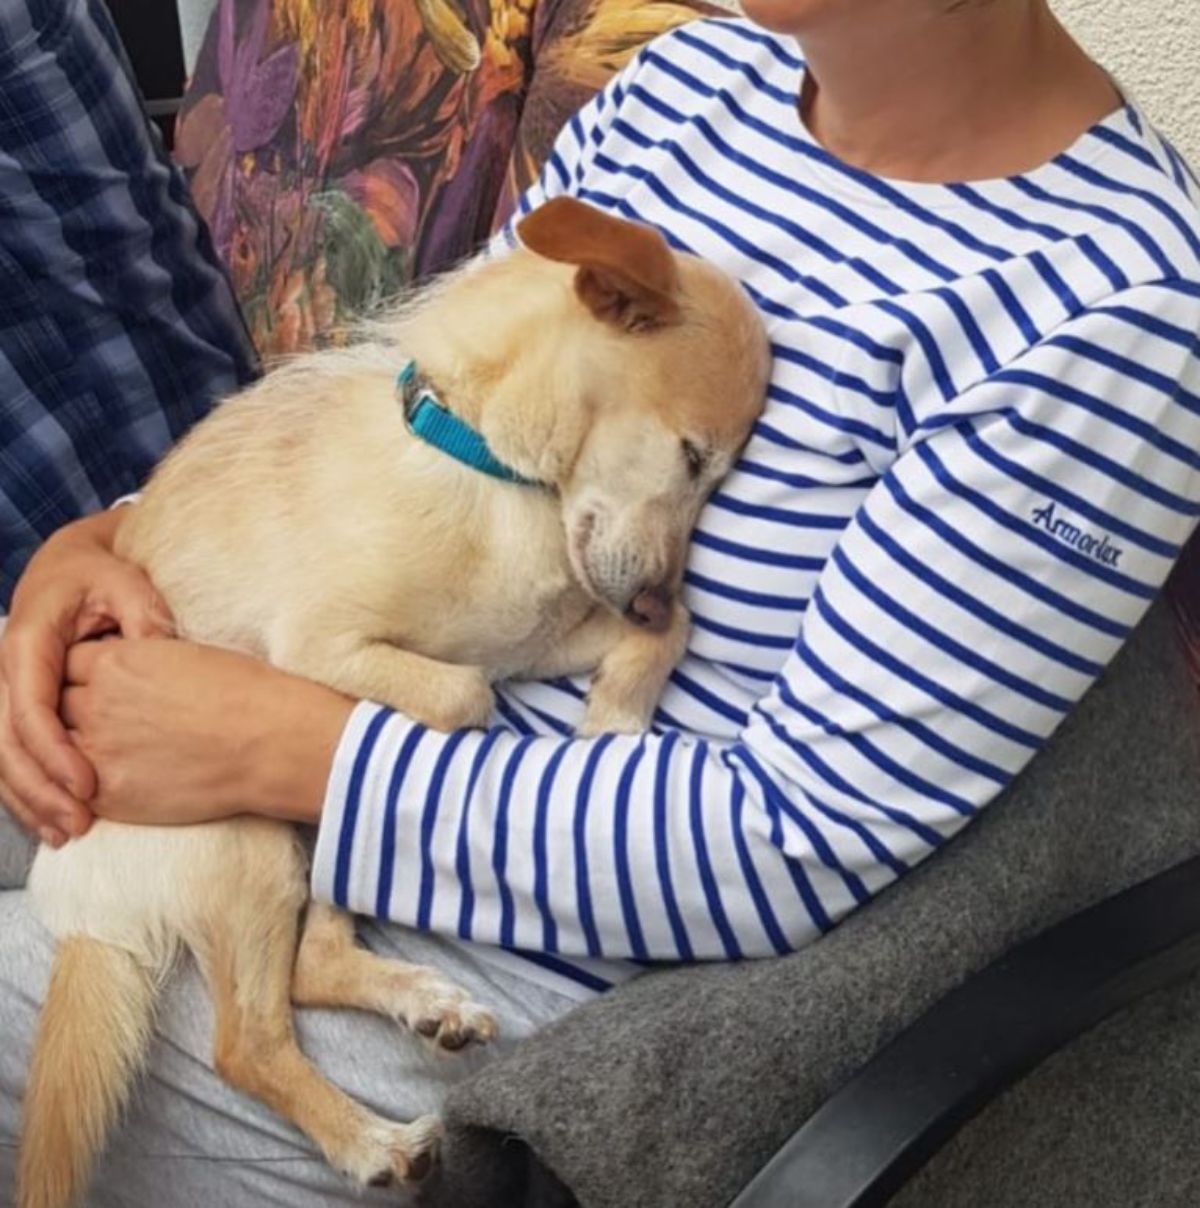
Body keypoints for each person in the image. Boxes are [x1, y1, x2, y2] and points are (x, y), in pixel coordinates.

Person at [3, 0, 1199, 1202]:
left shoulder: (1112, 311)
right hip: (296, 686)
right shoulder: (689, 83)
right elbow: (431, 405)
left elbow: (793, 843)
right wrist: (113, 538)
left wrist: (285, 751)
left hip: (514, 944)